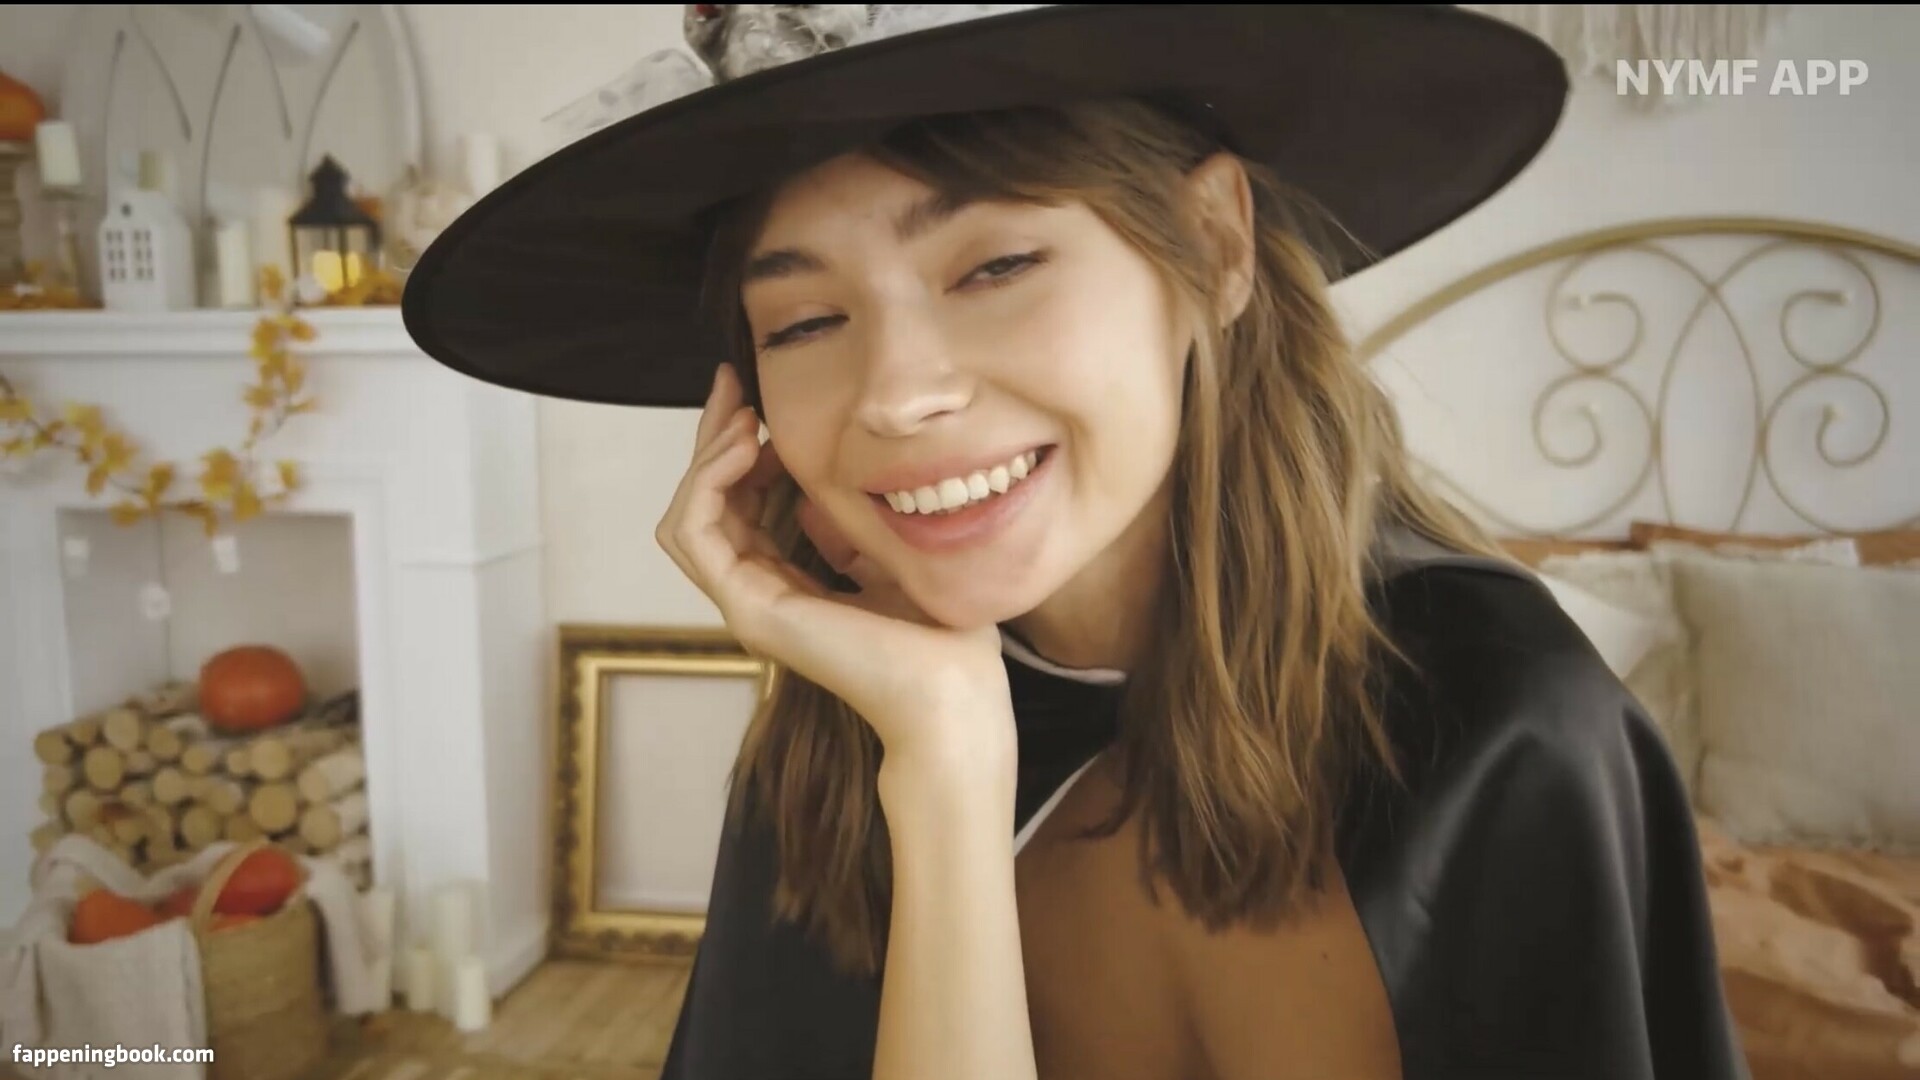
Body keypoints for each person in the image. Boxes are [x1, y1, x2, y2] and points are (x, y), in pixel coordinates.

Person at [402, 7, 1752, 1079]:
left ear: (1214, 245)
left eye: (994, 268)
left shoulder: (1508, 726)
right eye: (804, 323)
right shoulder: (836, 754)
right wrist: (945, 759)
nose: (897, 395)